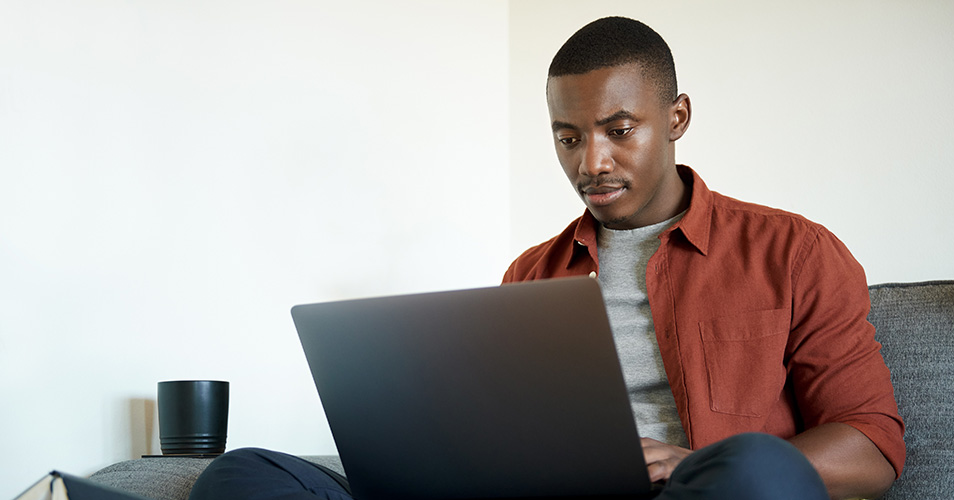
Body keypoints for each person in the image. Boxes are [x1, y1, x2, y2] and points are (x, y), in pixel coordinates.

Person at [190, 16, 904, 500]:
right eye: (568, 138)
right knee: (243, 476)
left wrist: (696, 463)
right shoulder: (532, 275)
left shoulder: (793, 252)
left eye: (619, 130)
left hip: (700, 490)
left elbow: (871, 446)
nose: (591, 161)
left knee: (754, 469)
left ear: (676, 118)